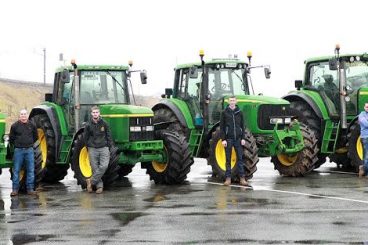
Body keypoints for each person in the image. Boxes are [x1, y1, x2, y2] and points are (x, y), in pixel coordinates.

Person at [83, 106, 113, 194]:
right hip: (92, 148)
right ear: (91, 114)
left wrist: (109, 146)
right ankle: (99, 187)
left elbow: (109, 136)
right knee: (95, 168)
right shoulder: (88, 125)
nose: (95, 114)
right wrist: (88, 146)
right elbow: (86, 137)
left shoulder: (104, 123)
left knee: (104, 166)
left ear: (99, 113)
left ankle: (91, 181)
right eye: (94, 112)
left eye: (97, 112)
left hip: (103, 147)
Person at [220, 96, 248, 186]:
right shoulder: (224, 113)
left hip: (238, 139)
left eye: (233, 100)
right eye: (230, 100)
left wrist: (243, 138)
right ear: (228, 101)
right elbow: (222, 127)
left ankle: (242, 179)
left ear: (236, 101)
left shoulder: (240, 113)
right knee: (228, 159)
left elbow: (243, 126)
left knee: (240, 159)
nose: (232, 102)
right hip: (228, 139)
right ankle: (228, 179)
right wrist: (223, 139)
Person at [9, 109, 38, 196]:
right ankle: (15, 190)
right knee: (16, 170)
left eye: (25, 114)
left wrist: (29, 143)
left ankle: (30, 189)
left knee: (30, 170)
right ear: (19, 116)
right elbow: (11, 138)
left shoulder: (32, 125)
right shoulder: (14, 126)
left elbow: (35, 136)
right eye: (21, 114)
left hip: (29, 150)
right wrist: (18, 144)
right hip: (18, 151)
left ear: (27, 115)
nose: (23, 116)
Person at [358, 103, 368, 177]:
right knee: (366, 156)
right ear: (364, 107)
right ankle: (366, 173)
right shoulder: (362, 115)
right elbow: (366, 124)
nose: (367, 108)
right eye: (367, 107)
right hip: (365, 137)